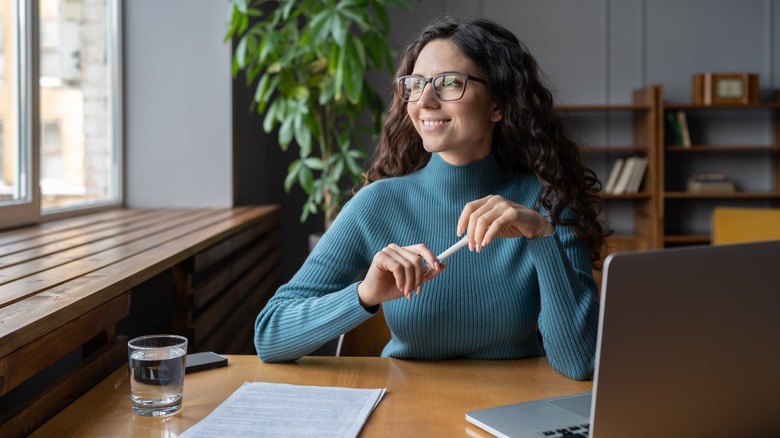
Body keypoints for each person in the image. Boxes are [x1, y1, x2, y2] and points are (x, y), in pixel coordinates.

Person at [254, 16, 611, 381]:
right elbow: (270, 334)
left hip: (515, 405)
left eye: (450, 83)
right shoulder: (377, 204)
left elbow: (580, 362)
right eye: (415, 84)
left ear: (497, 104)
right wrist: (365, 294)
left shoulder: (547, 203)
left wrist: (541, 235)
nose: (424, 100)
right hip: (405, 405)